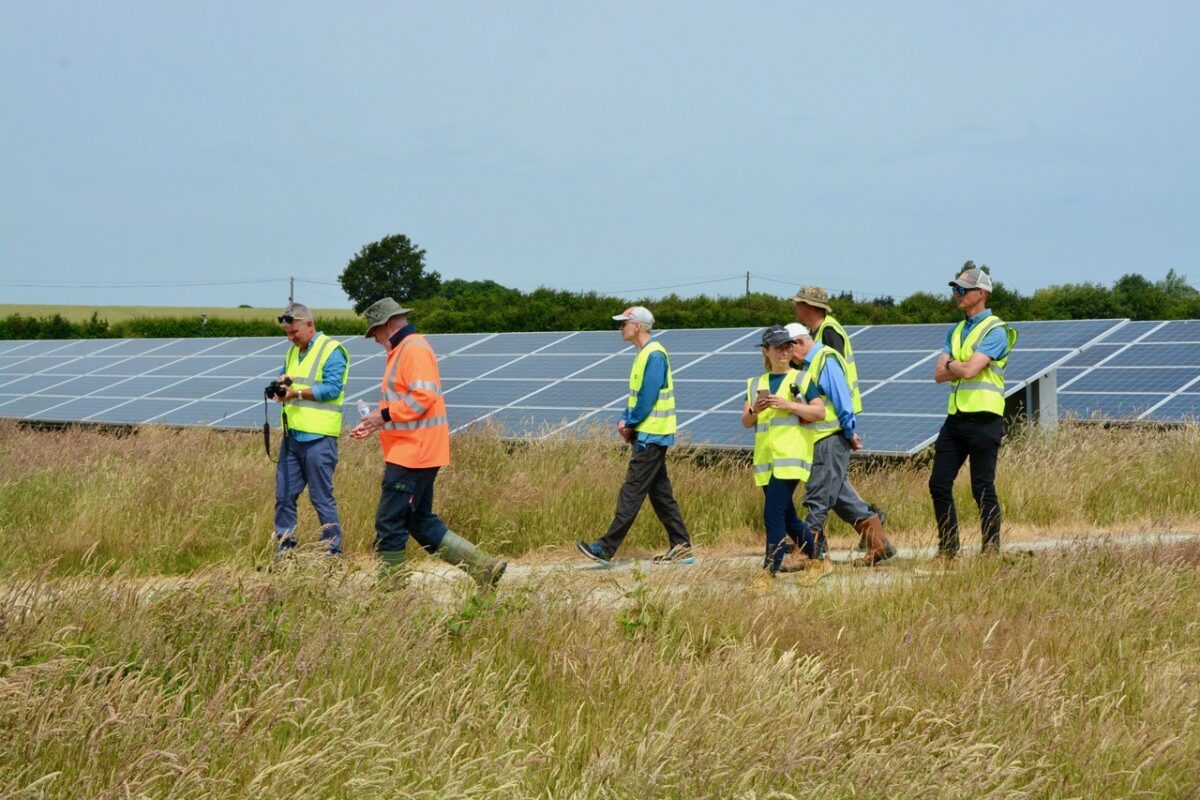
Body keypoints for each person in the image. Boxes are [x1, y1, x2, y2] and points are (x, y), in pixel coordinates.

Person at [350, 297, 506, 590]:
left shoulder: (413, 349)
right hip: (414, 450)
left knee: (389, 521)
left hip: (413, 454)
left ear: (386, 324)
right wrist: (375, 422)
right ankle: (485, 568)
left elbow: (422, 398)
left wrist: (381, 415)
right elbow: (404, 403)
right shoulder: (404, 350)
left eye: (375, 333)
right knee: (419, 521)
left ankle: (391, 591)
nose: (374, 340)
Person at [577, 306, 694, 565]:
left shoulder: (653, 355)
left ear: (637, 326)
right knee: (661, 495)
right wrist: (626, 420)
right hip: (649, 433)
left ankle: (606, 548)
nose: (620, 328)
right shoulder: (644, 354)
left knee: (631, 491)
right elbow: (636, 396)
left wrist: (629, 422)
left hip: (652, 434)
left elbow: (648, 397)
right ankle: (682, 546)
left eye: (623, 324)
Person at [790, 285, 890, 559]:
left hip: (834, 424)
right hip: (829, 426)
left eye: (797, 304)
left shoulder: (827, 337)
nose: (795, 308)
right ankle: (879, 543)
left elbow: (836, 382)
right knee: (836, 491)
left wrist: (849, 429)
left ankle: (808, 549)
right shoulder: (817, 335)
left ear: (809, 306)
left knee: (820, 493)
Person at [929, 267, 1018, 558]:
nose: (957, 295)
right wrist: (958, 367)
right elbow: (938, 375)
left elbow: (966, 370)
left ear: (982, 294)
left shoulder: (996, 329)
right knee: (938, 484)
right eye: (955, 289)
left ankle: (990, 549)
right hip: (956, 418)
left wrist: (954, 364)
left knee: (982, 487)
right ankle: (948, 547)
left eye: (963, 290)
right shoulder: (955, 330)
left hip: (984, 418)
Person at [741, 325, 825, 575]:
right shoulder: (755, 383)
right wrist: (756, 409)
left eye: (788, 346)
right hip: (767, 459)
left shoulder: (802, 379)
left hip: (792, 457)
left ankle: (770, 569)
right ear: (766, 351)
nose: (784, 352)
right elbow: (746, 421)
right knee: (788, 517)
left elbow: (819, 412)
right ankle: (817, 559)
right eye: (778, 348)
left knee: (772, 512)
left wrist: (789, 405)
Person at [271, 302, 349, 557]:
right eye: (287, 334)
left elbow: (332, 389)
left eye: (295, 333)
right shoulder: (292, 353)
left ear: (309, 325)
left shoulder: (332, 350)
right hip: (292, 436)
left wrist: (297, 393)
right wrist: (280, 388)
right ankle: (285, 551)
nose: (291, 338)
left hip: (319, 438)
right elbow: (287, 378)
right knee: (284, 495)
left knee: (321, 498)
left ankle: (331, 552)